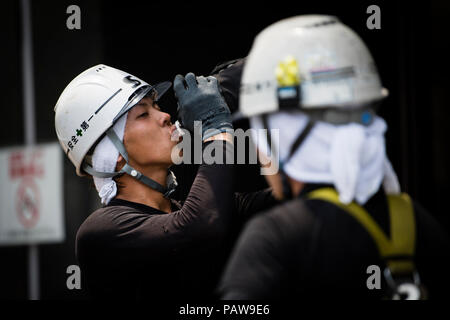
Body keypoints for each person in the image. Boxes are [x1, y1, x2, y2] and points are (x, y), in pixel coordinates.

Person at [217, 15, 450, 300]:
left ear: (287, 135)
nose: (256, 147)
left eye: (259, 131)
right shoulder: (415, 221)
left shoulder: (274, 236)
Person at [54, 65, 276, 299]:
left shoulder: (189, 211)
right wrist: (215, 129)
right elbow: (200, 225)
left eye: (156, 106)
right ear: (114, 154)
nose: (165, 115)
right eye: (143, 114)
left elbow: (291, 198)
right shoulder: (100, 233)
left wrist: (234, 84)